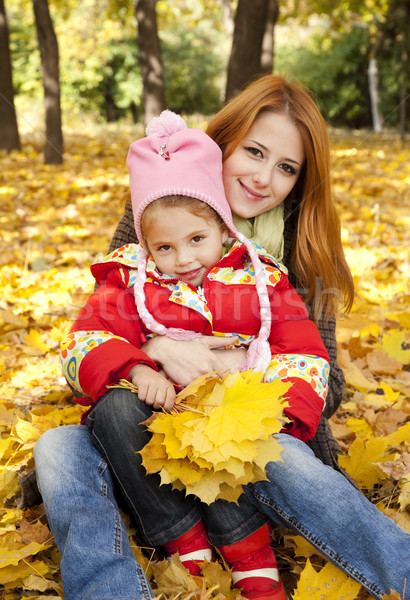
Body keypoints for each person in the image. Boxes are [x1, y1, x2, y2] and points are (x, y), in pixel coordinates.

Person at [33, 75, 410, 600]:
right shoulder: (154, 213)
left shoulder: (292, 252)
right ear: (222, 144)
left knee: (283, 455)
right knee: (56, 448)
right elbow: (100, 328)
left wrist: (237, 366)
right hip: (146, 432)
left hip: (255, 428)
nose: (262, 178)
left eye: (286, 167)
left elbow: (326, 376)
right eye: (253, 152)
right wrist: (155, 355)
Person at [59, 109, 330, 600]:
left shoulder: (261, 278)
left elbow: (306, 352)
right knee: (114, 412)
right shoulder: (131, 279)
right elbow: (82, 341)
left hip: (231, 415)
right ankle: (186, 545)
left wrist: (270, 404)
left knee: (221, 440)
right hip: (156, 420)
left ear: (224, 231)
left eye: (197, 241)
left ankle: (252, 559)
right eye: (164, 247)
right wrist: (140, 364)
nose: (182, 259)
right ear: (146, 245)